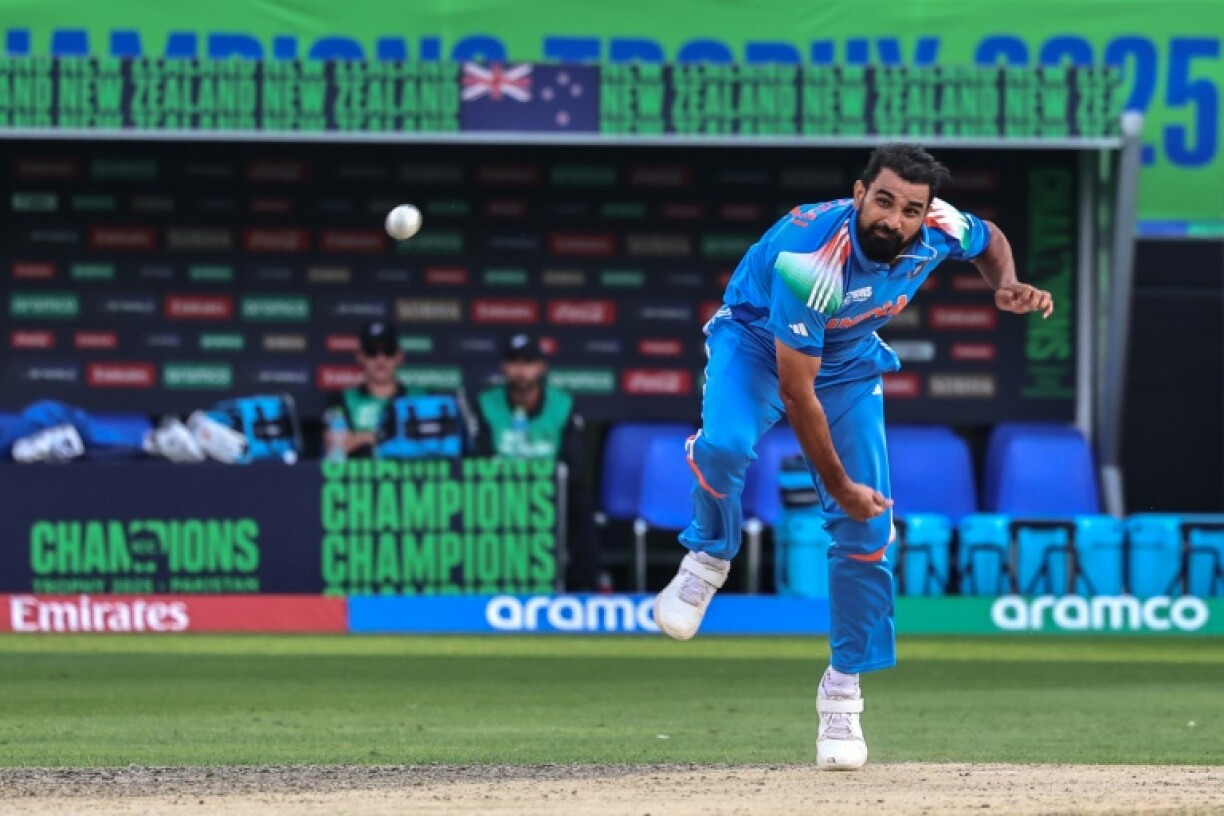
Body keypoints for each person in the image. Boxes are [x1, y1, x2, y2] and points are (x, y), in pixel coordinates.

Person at [652, 144, 1054, 770]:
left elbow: (991, 236)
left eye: (910, 210)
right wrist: (837, 486)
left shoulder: (940, 225)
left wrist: (1004, 285)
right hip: (759, 345)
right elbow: (795, 391)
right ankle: (707, 556)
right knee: (726, 446)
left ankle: (843, 689)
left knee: (869, 529)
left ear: (926, 213)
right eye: (884, 201)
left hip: (847, 359)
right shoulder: (813, 256)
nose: (894, 220)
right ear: (860, 192)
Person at [475, 334, 602, 592]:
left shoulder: (562, 404)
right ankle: (479, 588)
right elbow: (479, 460)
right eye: (514, 362)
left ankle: (584, 595)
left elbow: (575, 466)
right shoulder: (486, 404)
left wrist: (540, 484)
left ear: (542, 366)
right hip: (500, 494)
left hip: (549, 495)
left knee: (580, 502)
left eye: (528, 362)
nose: (521, 371)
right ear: (504, 367)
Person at [323, 321, 407, 459]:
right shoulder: (341, 399)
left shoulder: (419, 397)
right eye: (371, 351)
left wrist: (363, 437)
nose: (380, 359)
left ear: (399, 356)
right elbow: (335, 447)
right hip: (356, 479)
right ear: (360, 356)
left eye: (388, 351)